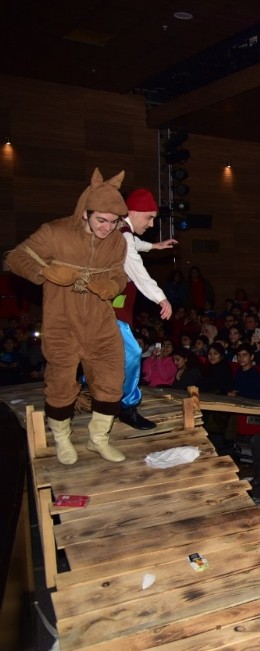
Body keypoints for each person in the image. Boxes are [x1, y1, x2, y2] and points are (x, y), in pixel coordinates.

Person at [4, 169, 129, 463]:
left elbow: (120, 276)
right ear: (85, 212)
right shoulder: (54, 233)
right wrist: (45, 271)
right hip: (62, 324)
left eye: (114, 222)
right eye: (101, 220)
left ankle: (99, 439)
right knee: (61, 384)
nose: (107, 227)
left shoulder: (117, 242)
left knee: (112, 380)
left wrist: (112, 285)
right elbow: (14, 258)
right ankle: (62, 438)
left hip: (101, 325)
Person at [112, 188, 177, 430]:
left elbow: (133, 244)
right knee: (131, 354)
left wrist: (155, 246)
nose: (151, 223)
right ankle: (127, 407)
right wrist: (162, 299)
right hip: (113, 311)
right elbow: (139, 273)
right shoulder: (124, 237)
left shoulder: (120, 229)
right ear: (133, 212)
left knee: (102, 354)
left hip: (110, 308)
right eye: (149, 217)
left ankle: (91, 389)